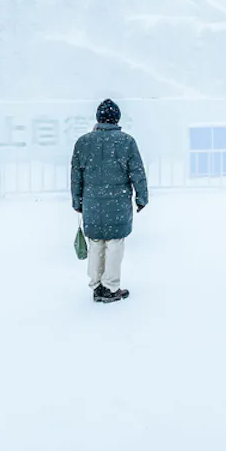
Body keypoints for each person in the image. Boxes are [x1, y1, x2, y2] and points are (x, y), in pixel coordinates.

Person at [71, 100, 148, 303]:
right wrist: (142, 198)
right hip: (118, 202)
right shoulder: (127, 142)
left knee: (95, 242)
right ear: (117, 119)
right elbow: (137, 172)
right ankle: (110, 286)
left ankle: (96, 284)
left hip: (92, 202)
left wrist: (77, 201)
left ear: (98, 118)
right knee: (114, 243)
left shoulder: (83, 142)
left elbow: (76, 175)